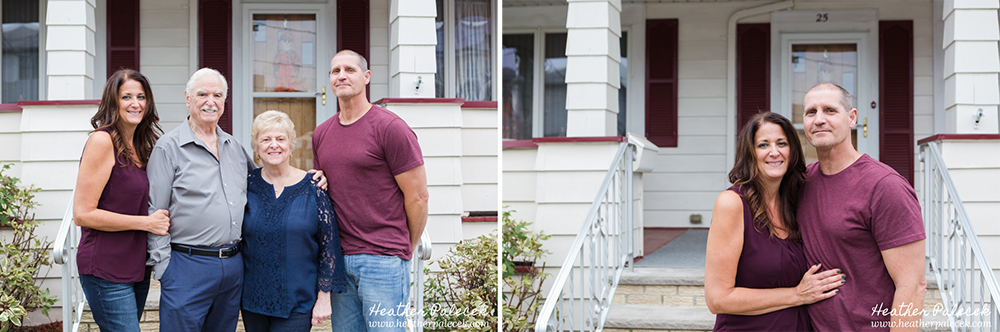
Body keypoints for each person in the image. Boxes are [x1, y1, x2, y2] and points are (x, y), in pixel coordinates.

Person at [312, 49, 429, 331]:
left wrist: (404, 247)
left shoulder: (390, 128)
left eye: (349, 70)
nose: (341, 75)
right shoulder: (321, 133)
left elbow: (418, 196)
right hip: (339, 261)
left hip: (383, 260)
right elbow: (324, 189)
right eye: (335, 70)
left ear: (366, 77)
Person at [798, 83, 926, 331]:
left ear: (852, 118)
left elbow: (912, 285)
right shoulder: (802, 182)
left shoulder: (885, 187)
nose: (819, 119)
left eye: (830, 110)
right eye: (811, 112)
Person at [705, 112, 846, 331]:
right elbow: (718, 299)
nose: (774, 152)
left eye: (782, 143)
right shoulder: (732, 204)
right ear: (750, 152)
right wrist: (797, 295)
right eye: (763, 145)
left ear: (792, 151)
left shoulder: (796, 202)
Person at [146, 67, 255, 331]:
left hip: (232, 266)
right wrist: (165, 270)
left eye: (218, 95)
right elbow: (155, 211)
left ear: (224, 101)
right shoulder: (168, 148)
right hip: (187, 266)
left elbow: (265, 185)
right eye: (202, 94)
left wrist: (307, 178)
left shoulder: (235, 148)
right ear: (187, 98)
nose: (211, 101)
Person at [73, 69, 169, 331]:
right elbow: (83, 214)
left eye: (141, 96)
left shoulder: (142, 146)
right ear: (113, 101)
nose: (135, 103)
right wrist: (146, 223)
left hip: (137, 266)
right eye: (126, 96)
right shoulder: (102, 141)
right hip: (105, 266)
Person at [241, 110, 347, 331]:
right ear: (256, 147)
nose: (274, 145)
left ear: (290, 146)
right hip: (252, 302)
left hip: (298, 302)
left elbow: (329, 245)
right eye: (266, 139)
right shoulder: (245, 184)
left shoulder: (314, 187)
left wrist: (324, 296)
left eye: (281, 139)